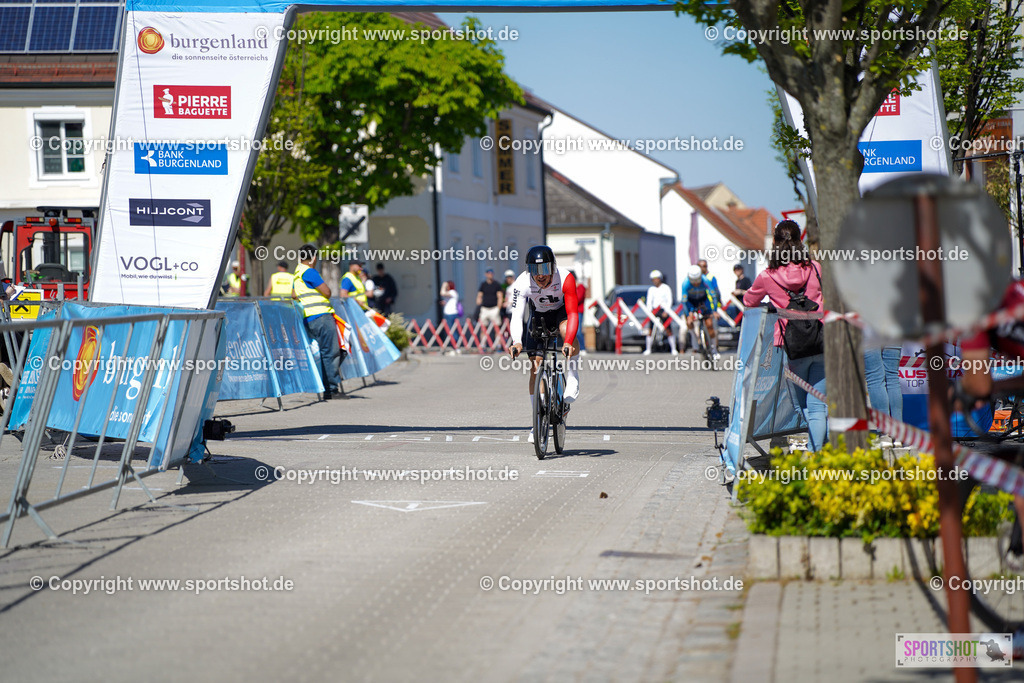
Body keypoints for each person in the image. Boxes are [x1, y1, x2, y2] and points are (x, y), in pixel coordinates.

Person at [743, 220, 826, 451]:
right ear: (800, 240)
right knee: (818, 404)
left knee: (803, 406)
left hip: (793, 346)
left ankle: (816, 450)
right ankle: (820, 453)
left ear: (776, 243)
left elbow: (749, 301)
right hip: (821, 342)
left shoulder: (767, 276)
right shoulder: (815, 269)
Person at [508, 246, 580, 443]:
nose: (540, 276)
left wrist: (567, 341)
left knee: (567, 333)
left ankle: (572, 377)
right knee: (535, 366)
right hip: (538, 317)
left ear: (553, 267)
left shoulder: (565, 278)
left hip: (561, 313)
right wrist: (516, 342)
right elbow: (516, 316)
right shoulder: (521, 282)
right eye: (535, 271)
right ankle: (538, 421)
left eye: (545, 270)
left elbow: (573, 314)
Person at [294, 244, 342, 400]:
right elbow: (327, 292)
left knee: (322, 353)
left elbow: (294, 295)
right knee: (331, 353)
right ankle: (331, 390)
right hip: (321, 317)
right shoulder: (310, 272)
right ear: (314, 258)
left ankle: (326, 387)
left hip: (309, 318)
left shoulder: (297, 273)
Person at [681, 265, 720, 359]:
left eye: (697, 281)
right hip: (691, 302)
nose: (695, 284)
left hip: (703, 301)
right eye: (693, 281)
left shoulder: (705, 280)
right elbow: (684, 302)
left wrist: (714, 310)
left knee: (709, 324)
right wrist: (688, 315)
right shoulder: (685, 284)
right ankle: (695, 340)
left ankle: (714, 349)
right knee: (689, 322)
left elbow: (713, 296)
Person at [644, 269, 678, 356]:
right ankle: (648, 349)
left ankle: (673, 349)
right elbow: (649, 301)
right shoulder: (651, 289)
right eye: (653, 279)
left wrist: (667, 311)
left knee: (668, 329)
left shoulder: (666, 288)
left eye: (656, 278)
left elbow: (669, 300)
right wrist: (650, 311)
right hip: (654, 310)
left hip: (664, 310)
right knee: (650, 330)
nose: (655, 281)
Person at [572, 270, 587, 354]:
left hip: (578, 312)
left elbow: (578, 298)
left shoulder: (580, 287)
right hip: (571, 312)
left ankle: (582, 348)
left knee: (578, 331)